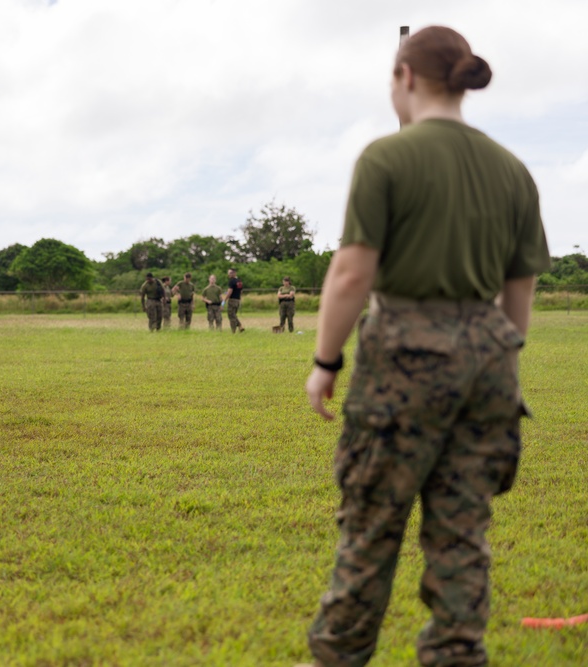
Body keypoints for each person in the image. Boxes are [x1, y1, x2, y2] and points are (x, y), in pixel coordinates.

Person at [300, 26, 550, 667]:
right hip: (490, 361)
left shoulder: (387, 158)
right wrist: (500, 360)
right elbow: (519, 289)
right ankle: (457, 654)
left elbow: (352, 273)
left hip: (405, 355)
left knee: (372, 524)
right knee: (462, 529)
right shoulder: (512, 170)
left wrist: (326, 361)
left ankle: (338, 656)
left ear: (405, 77)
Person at [225, 267, 245, 333]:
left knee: (231, 315)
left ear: (234, 273)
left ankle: (234, 330)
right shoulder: (239, 281)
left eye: (230, 273)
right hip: (237, 300)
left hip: (232, 300)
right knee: (234, 315)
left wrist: (224, 300)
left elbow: (230, 292)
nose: (229, 274)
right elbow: (241, 291)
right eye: (228, 273)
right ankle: (239, 327)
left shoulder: (232, 281)